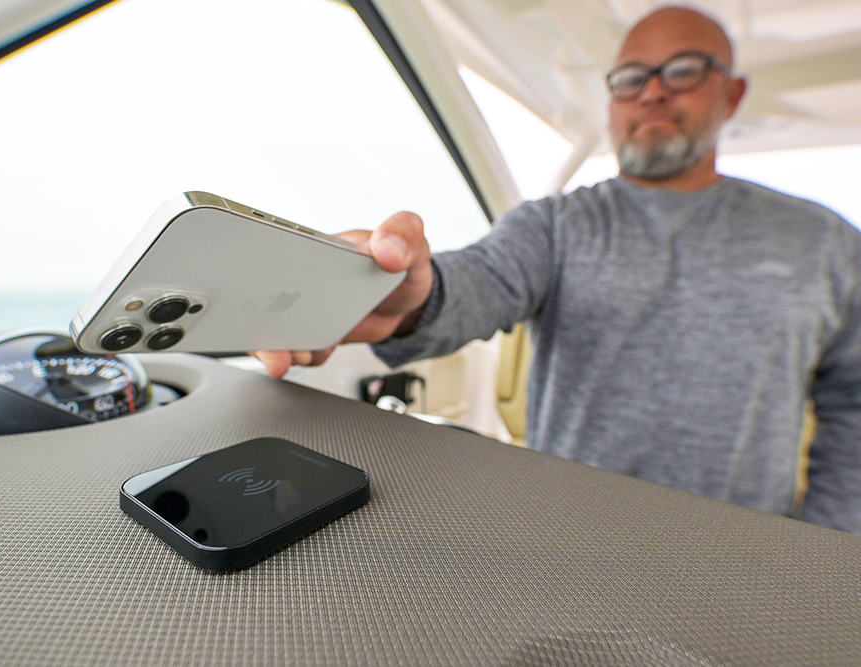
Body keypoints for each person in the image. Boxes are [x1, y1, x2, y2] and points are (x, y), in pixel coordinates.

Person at [254, 6, 861, 535]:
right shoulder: (556, 224)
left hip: (751, 553)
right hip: (568, 538)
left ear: (731, 94)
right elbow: (479, 279)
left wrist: (829, 542)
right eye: (629, 79)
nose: (652, 92)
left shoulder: (825, 241)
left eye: (682, 70)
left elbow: (853, 399)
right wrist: (408, 295)